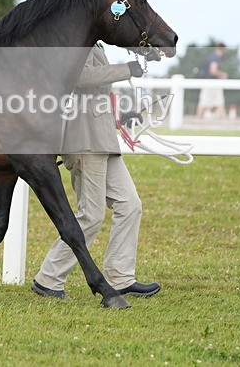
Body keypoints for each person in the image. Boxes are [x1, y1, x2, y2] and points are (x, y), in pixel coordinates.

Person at [31, 44, 160, 300]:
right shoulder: (74, 42)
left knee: (129, 204)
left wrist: (120, 116)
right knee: (91, 215)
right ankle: (48, 279)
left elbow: (94, 96)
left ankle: (120, 277)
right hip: (83, 142)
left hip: (102, 139)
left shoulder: (95, 44)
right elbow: (81, 77)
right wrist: (127, 69)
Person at [195, 43, 228, 119]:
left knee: (204, 103)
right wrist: (223, 75)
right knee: (218, 102)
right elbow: (213, 71)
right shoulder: (215, 57)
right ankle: (225, 121)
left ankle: (197, 120)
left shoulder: (210, 56)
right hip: (212, 83)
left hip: (208, 82)